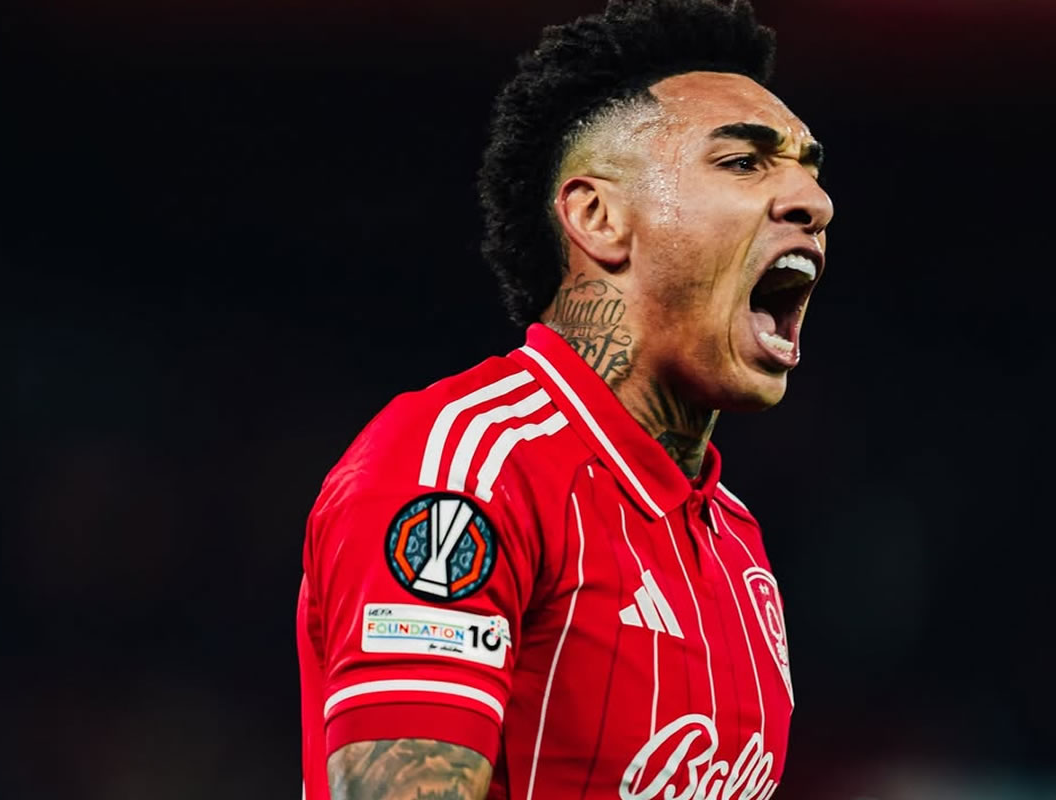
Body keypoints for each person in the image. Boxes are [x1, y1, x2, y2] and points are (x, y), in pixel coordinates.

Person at [296, 0, 833, 797]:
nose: (814, 203)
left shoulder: (736, 542)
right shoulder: (464, 468)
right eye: (743, 163)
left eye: (809, 170)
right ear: (598, 217)